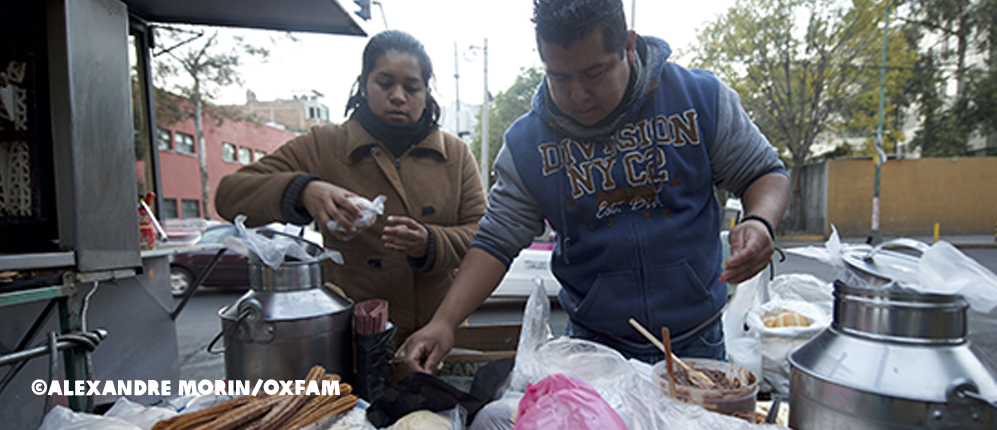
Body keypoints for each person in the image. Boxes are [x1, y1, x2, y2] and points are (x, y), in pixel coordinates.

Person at [403, 0, 789, 371]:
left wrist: (760, 221)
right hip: (594, 349)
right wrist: (446, 321)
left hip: (695, 344)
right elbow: (495, 240)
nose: (577, 95)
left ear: (628, 46)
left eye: (594, 73)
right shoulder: (527, 144)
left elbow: (764, 172)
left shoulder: (699, 98)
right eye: (559, 77)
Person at [215, 30, 487, 345]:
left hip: (438, 336)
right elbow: (230, 194)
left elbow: (482, 237)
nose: (398, 96)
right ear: (362, 84)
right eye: (384, 83)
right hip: (350, 338)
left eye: (412, 87)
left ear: (426, 91)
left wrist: (431, 242)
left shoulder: (455, 154)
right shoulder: (323, 145)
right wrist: (304, 190)